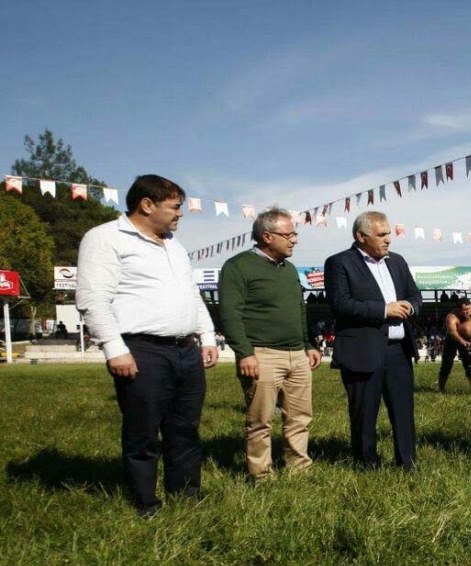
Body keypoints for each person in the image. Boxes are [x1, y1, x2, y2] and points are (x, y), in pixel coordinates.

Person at [76, 174, 218, 517]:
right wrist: (114, 347)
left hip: (185, 350)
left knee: (185, 428)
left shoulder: (175, 246)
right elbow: (93, 299)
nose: (180, 214)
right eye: (175, 207)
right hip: (142, 350)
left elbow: (191, 295)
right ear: (146, 204)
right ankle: (146, 503)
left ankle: (186, 494)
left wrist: (208, 335)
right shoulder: (105, 239)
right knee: (143, 430)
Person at [218, 208, 322, 480]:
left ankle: (299, 470)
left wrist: (307, 343)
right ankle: (261, 475)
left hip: (296, 354)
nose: (294, 240)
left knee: (300, 418)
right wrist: (245, 352)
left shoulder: (288, 270)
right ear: (266, 236)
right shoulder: (237, 267)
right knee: (260, 420)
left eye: (294, 234)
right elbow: (230, 313)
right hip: (261, 354)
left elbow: (299, 309)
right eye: (288, 234)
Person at [324, 211, 422, 470]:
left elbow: (415, 295)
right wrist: (383, 310)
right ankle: (366, 464)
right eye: (382, 234)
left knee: (403, 411)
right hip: (362, 350)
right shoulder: (339, 263)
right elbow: (340, 304)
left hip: (398, 351)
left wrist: (409, 308)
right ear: (361, 236)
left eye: (388, 233)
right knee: (364, 413)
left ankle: (407, 463)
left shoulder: (398, 262)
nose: (389, 239)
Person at [437, 308, 471, 392]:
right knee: (446, 364)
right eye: (464, 309)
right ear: (459, 309)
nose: (466, 312)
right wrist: (462, 341)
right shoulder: (451, 317)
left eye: (468, 309)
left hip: (465, 337)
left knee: (470, 365)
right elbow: (453, 333)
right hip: (452, 338)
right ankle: (441, 389)